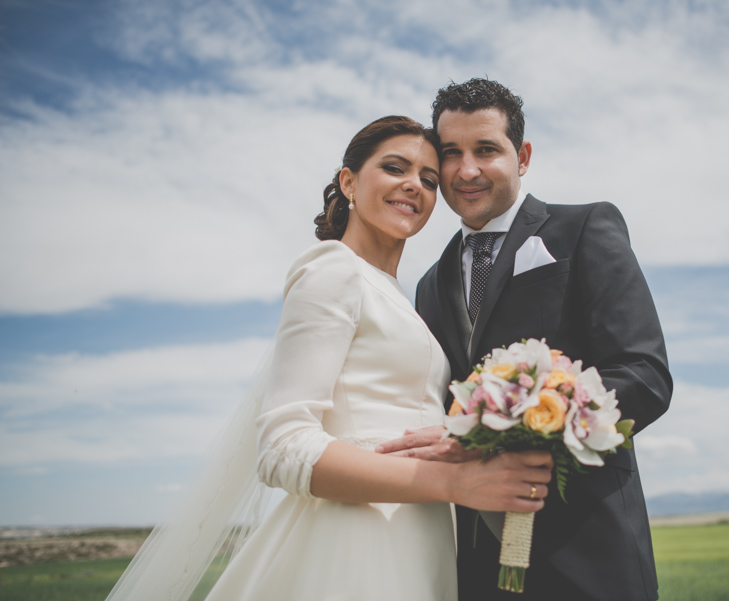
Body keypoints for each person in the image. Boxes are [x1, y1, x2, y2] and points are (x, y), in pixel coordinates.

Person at [105, 115, 553, 601]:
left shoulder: (408, 298)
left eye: (427, 178)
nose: (414, 185)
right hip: (358, 540)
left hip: (421, 537)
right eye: (394, 167)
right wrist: (455, 483)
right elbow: (282, 447)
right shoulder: (332, 269)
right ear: (348, 182)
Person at [377, 80, 673, 600]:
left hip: (589, 551)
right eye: (451, 154)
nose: (467, 170)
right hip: (475, 566)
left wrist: (517, 430)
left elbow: (644, 375)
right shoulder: (429, 284)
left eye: (486, 149)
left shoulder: (583, 228)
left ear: (523, 156)